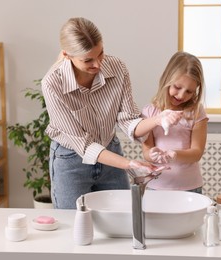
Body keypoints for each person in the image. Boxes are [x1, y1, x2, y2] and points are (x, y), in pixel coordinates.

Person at [41, 17, 182, 209]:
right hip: (71, 160)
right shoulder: (52, 84)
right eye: (88, 60)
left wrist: (158, 119)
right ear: (67, 55)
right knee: (73, 224)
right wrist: (130, 164)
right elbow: (83, 145)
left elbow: (129, 120)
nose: (98, 64)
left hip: (110, 152)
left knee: (121, 216)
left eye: (100, 54)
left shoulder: (117, 68)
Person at [141, 51, 208, 193]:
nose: (181, 95)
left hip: (190, 187)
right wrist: (152, 153)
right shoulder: (150, 113)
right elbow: (146, 151)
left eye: (189, 91)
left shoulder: (196, 112)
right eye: (177, 87)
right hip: (157, 186)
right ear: (166, 80)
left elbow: (197, 152)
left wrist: (175, 154)